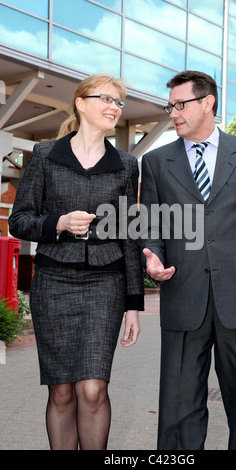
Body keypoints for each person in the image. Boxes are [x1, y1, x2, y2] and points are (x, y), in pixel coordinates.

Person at [140, 70, 236, 450]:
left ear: (208, 103)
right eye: (169, 105)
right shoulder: (155, 162)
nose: (172, 113)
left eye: (180, 104)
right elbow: (152, 225)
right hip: (183, 293)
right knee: (178, 403)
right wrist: (152, 257)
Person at [9, 73, 144, 450]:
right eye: (107, 99)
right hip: (53, 285)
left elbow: (129, 235)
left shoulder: (127, 164)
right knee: (63, 392)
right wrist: (59, 223)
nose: (114, 107)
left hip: (105, 285)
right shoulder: (45, 156)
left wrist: (134, 305)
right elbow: (18, 220)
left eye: (119, 102)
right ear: (81, 103)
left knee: (92, 388)